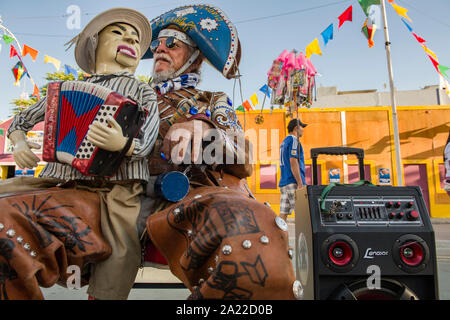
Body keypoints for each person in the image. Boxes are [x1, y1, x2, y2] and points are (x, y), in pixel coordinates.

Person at [140, 4, 299, 300]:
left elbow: (244, 159)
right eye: (156, 43)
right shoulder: (134, 96)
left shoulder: (213, 100)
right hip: (133, 197)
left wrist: (205, 131)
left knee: (250, 225)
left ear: (196, 57)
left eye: (172, 43)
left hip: (198, 198)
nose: (161, 49)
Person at [0, 8, 159, 300]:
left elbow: (147, 139)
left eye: (136, 40)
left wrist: (122, 143)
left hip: (116, 186)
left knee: (123, 244)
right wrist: (20, 143)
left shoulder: (141, 91)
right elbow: (20, 121)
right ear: (94, 43)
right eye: (118, 32)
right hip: (58, 179)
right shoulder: (60, 89)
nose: (130, 40)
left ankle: (105, 294)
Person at [278, 118, 307, 222]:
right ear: (296, 128)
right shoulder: (294, 140)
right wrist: (300, 183)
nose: (303, 129)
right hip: (293, 182)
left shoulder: (284, 142)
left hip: (284, 182)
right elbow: (293, 161)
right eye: (302, 127)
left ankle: (279, 238)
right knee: (302, 213)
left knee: (283, 215)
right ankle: (303, 238)